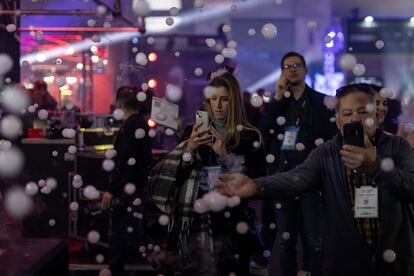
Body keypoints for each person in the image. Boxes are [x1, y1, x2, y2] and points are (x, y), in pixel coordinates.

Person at [216, 83, 414, 276]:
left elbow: (411, 186)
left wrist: (373, 166)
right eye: (346, 114)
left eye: (363, 112)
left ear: (376, 116)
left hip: (394, 260)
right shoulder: (326, 152)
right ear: (337, 120)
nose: (355, 119)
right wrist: (256, 185)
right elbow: (296, 178)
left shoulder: (397, 147)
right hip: (345, 262)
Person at [149, 70, 266, 275]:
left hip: (232, 221)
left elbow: (255, 180)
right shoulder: (192, 131)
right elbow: (179, 178)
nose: (218, 106)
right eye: (213, 99)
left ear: (235, 102)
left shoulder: (248, 136)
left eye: (225, 100)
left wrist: (225, 155)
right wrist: (189, 149)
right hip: (196, 218)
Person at [258, 51, 337, 276]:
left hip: (313, 179)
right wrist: (277, 97)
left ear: (305, 69)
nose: (292, 69)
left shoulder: (321, 102)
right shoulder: (278, 103)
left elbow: (331, 138)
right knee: (285, 241)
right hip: (283, 179)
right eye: (287, 66)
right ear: (282, 72)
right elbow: (264, 130)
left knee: (315, 241)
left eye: (296, 65)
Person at [101, 86, 153, 275]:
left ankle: (166, 262)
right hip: (135, 188)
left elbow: (125, 162)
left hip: (129, 190)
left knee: (128, 234)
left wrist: (112, 189)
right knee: (125, 234)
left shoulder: (131, 126)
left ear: (119, 103)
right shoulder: (139, 123)